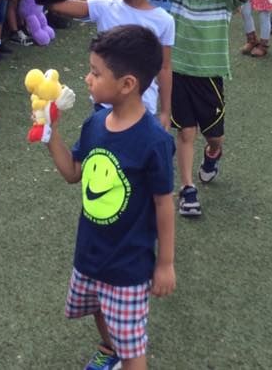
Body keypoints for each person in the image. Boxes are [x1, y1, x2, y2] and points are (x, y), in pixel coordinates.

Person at [43, 25, 175, 370]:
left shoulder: (154, 141)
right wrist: (50, 133)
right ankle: (109, 347)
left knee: (134, 349)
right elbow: (73, 173)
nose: (87, 78)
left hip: (129, 264)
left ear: (127, 84)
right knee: (97, 308)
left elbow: (164, 203)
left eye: (96, 72)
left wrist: (165, 263)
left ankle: (121, 353)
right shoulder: (95, 124)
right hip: (90, 253)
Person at [163, 0, 254, 217]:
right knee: (185, 132)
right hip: (178, 72)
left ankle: (213, 153)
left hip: (209, 77)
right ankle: (188, 190)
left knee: (214, 136)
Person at [50, 0, 174, 130]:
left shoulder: (164, 21)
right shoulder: (105, 7)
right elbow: (57, 5)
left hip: (142, 109)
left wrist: (165, 111)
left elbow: (164, 68)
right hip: (104, 106)